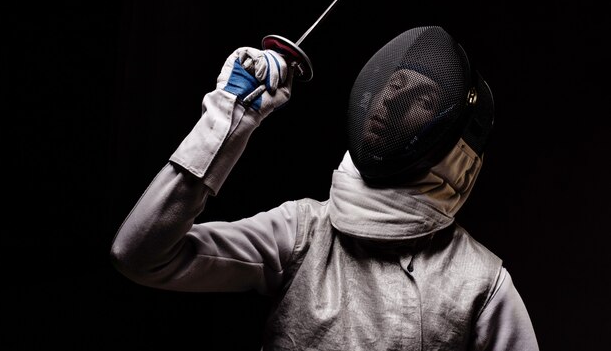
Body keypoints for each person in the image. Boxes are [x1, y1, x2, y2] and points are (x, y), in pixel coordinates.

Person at [111, 26, 540, 350]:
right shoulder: (304, 233)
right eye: (392, 87)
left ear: (452, 147)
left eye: (422, 100)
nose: (390, 102)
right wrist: (225, 123)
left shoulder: (481, 282)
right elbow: (141, 255)